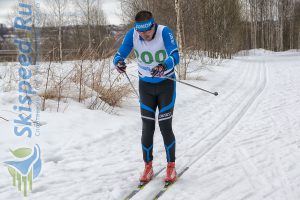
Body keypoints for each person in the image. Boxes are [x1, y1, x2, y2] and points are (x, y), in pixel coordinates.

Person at [113, 10, 180, 184]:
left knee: (165, 125)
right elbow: (119, 54)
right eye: (140, 31)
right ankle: (148, 166)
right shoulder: (133, 34)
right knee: (147, 127)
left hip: (166, 84)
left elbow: (175, 56)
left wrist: (163, 65)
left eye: (147, 31)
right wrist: (118, 63)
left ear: (153, 25)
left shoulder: (164, 32)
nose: (144, 35)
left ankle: (171, 166)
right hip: (146, 87)